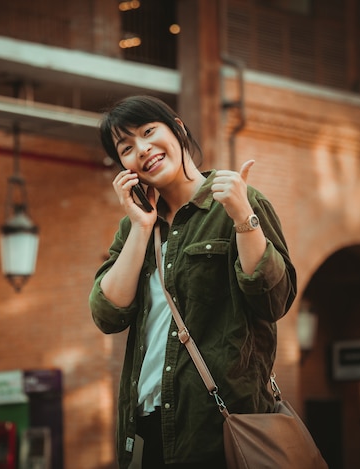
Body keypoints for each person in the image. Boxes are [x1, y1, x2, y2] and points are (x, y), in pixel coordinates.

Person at [88, 95, 297, 468]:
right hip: (149, 428)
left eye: (149, 131)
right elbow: (108, 314)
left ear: (178, 128)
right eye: (127, 147)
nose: (143, 149)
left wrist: (242, 218)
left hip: (222, 426)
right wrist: (141, 226)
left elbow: (274, 301)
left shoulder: (240, 199)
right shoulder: (134, 226)